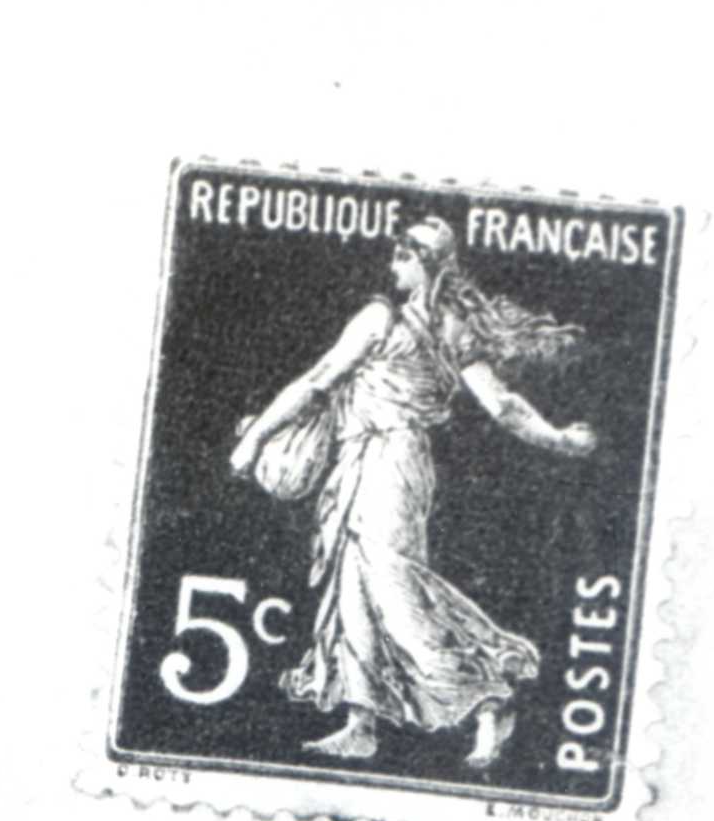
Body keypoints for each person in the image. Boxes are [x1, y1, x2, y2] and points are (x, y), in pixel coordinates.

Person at [230, 215, 596, 773]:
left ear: (429, 263)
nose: (393, 262)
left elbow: (319, 381)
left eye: (405, 253)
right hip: (361, 461)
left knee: (393, 587)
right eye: (395, 251)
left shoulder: (397, 321)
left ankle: (488, 695)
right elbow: (500, 406)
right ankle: (361, 723)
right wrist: (562, 440)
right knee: (353, 587)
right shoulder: (435, 324)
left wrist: (255, 439)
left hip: (393, 463)